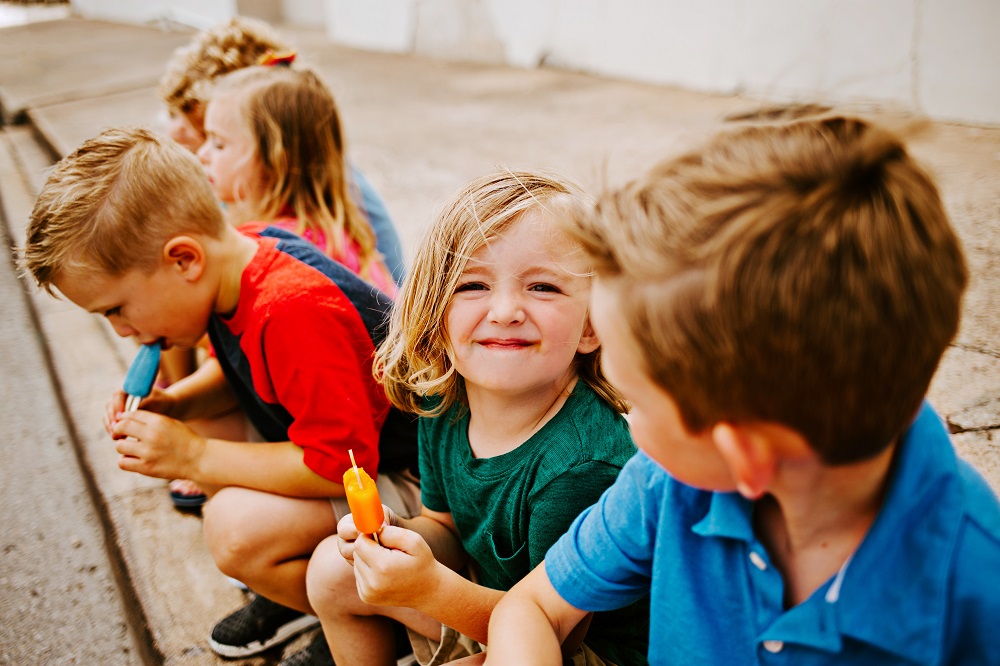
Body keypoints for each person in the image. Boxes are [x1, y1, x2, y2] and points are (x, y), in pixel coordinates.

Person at [484, 116, 1000, 664]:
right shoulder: (665, 484)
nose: (626, 421)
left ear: (744, 458)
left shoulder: (974, 583)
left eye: (636, 401)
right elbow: (533, 607)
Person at [21, 127, 421, 665]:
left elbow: (340, 466)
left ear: (183, 260)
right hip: (357, 456)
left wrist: (191, 455)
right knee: (205, 431)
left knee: (234, 531)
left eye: (116, 308)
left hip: (412, 482)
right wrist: (179, 405)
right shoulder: (238, 260)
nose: (120, 330)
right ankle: (313, 595)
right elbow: (250, 371)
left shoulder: (290, 311)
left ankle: (372, 618)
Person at [303, 171, 650, 666]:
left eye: (544, 286)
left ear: (591, 324)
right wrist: (396, 540)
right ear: (436, 312)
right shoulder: (445, 401)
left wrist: (428, 589)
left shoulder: (582, 465)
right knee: (331, 571)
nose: (506, 309)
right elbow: (443, 525)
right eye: (472, 284)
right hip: (485, 600)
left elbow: (554, 637)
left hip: (580, 649)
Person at [156, 16, 406, 390]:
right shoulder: (320, 200)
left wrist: (191, 444)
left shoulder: (282, 251)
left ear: (273, 154)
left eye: (215, 139)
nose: (198, 151)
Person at [197, 64, 397, 297]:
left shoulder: (275, 251)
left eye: (218, 144)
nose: (202, 154)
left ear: (276, 161)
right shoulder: (331, 231)